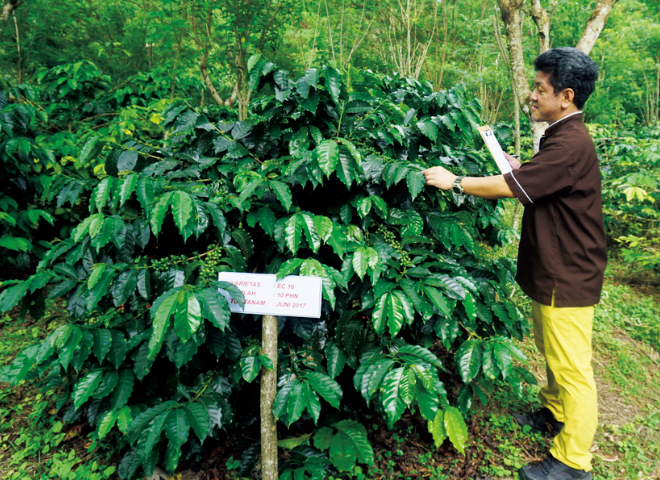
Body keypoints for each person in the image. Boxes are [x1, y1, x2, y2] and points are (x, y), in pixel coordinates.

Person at [423, 47, 606, 480]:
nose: (531, 96)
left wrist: (456, 183)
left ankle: (572, 461)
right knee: (551, 351)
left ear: (565, 96)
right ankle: (555, 412)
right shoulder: (560, 136)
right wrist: (521, 166)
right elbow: (540, 178)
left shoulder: (571, 142)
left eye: (539, 89)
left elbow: (516, 188)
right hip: (555, 267)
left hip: (569, 273)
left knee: (572, 367)